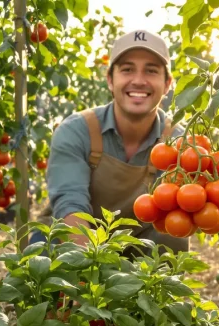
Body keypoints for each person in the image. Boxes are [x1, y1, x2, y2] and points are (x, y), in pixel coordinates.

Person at [32, 29, 188, 255]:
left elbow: (180, 217)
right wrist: (89, 268)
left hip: (136, 243)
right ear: (110, 80)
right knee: (41, 260)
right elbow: (70, 204)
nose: (138, 80)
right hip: (72, 238)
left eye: (151, 71)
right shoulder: (77, 131)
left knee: (170, 235)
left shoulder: (179, 143)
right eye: (127, 70)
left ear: (167, 84)